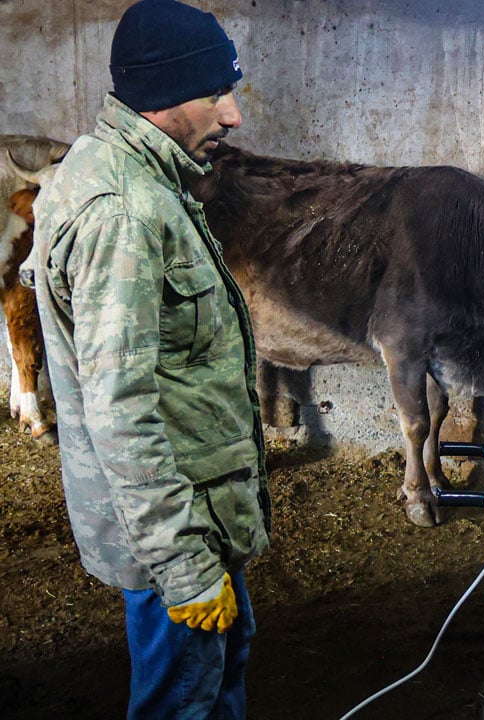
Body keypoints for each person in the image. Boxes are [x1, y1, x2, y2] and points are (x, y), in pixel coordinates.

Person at [30, 1, 268, 718]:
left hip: (198, 513)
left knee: (217, 678)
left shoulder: (122, 170)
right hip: (174, 533)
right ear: (164, 99)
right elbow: (120, 412)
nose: (231, 116)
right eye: (214, 96)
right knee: (181, 702)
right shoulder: (125, 212)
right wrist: (185, 567)